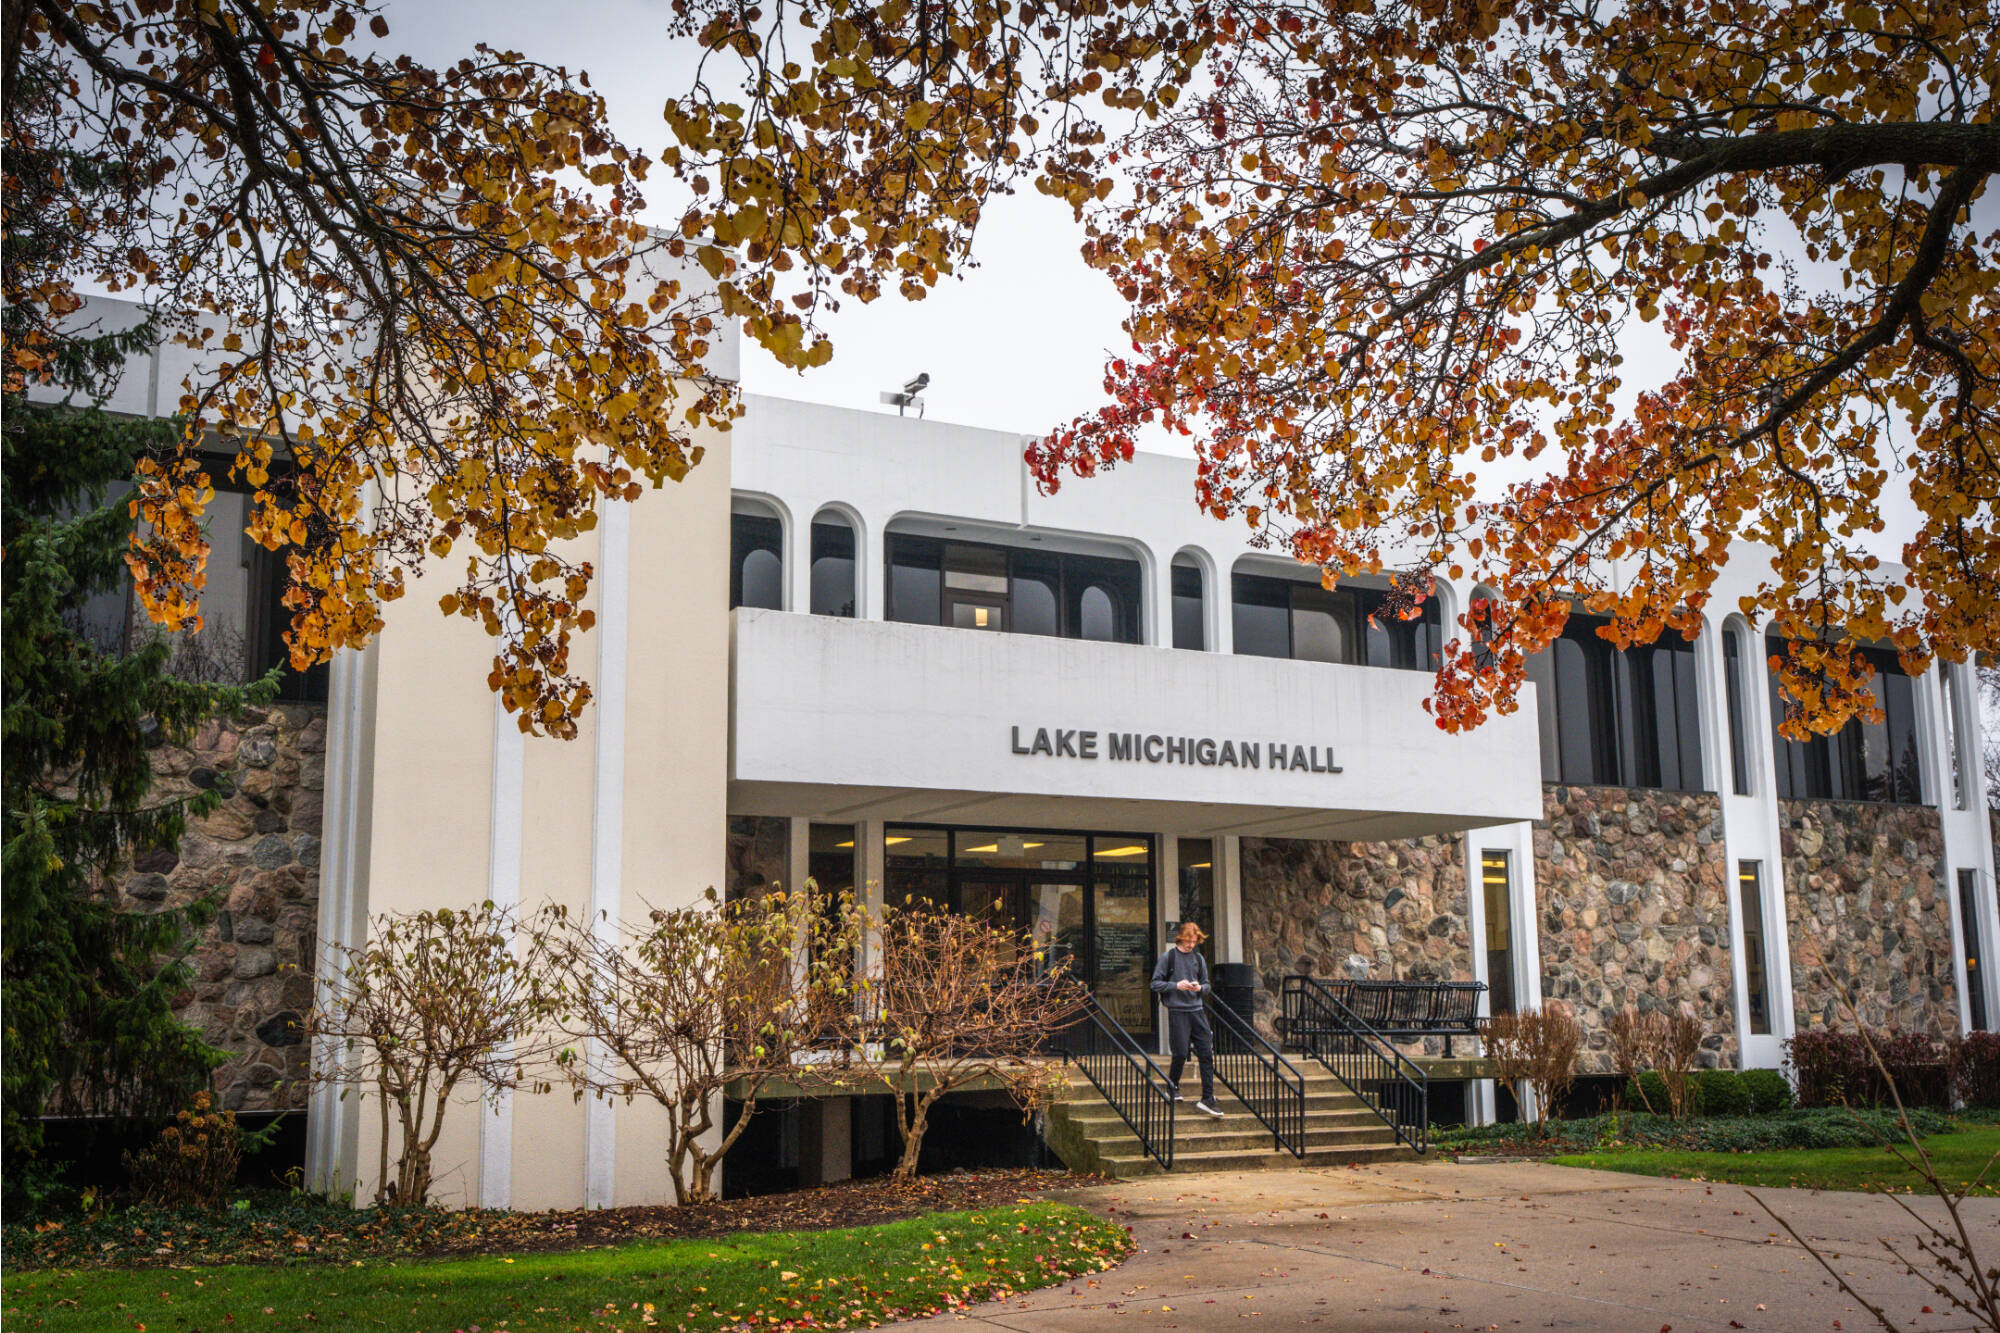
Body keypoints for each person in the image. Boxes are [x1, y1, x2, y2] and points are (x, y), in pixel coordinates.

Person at [1151, 922, 1225, 1118]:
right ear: (1181, 938)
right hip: (1178, 1011)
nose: (1191, 944)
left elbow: (1207, 985)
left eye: (1194, 941)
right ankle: (1172, 1086)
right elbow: (1155, 983)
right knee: (1181, 1052)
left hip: (1197, 1010)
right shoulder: (1169, 957)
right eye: (1188, 941)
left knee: (1206, 1053)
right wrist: (1176, 985)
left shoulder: (1198, 958)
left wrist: (1199, 988)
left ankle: (1208, 1099)